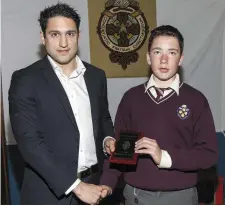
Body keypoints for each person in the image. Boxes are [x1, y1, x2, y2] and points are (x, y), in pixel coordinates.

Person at [100, 25, 218, 204]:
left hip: (181, 197)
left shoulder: (196, 100)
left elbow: (208, 155)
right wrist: (106, 184)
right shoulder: (131, 98)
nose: (164, 60)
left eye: (171, 53)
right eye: (157, 52)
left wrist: (164, 156)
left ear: (180, 59)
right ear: (148, 57)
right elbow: (120, 150)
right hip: (135, 196)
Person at [9, 3, 113, 205]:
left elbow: (104, 118)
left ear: (79, 36)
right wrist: (76, 186)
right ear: (43, 37)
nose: (64, 42)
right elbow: (30, 143)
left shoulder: (96, 76)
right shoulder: (25, 80)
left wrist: (108, 138)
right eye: (55, 34)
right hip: (49, 194)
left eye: (70, 34)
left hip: (95, 187)